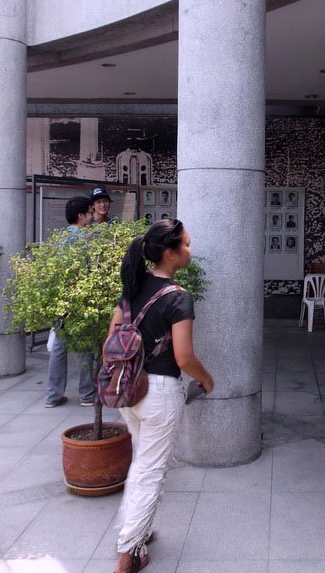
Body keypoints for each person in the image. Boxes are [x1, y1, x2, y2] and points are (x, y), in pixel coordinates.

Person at [111, 219, 214, 573]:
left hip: (129, 389)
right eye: (185, 244)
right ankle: (127, 555)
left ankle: (135, 530)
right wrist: (207, 379)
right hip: (160, 394)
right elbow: (184, 358)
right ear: (170, 253)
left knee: (142, 462)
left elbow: (111, 341)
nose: (189, 250)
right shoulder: (178, 297)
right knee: (152, 471)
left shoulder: (132, 288)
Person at [44, 196, 96, 408]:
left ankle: (53, 395)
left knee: (59, 345)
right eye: (90, 212)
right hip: (78, 297)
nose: (92, 216)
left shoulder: (60, 238)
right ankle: (87, 394)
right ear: (81, 215)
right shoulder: (82, 239)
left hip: (61, 297)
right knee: (83, 346)